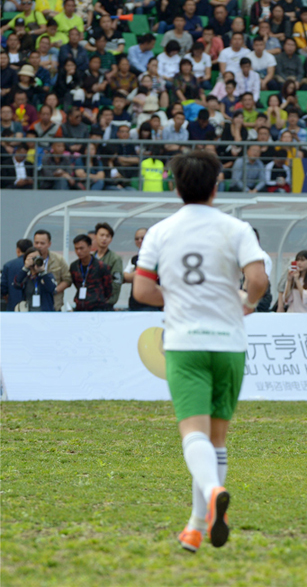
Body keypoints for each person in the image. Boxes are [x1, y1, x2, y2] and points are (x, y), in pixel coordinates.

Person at [132, 150, 268, 553]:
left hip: (185, 343)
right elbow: (258, 279)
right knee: (217, 438)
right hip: (229, 342)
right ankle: (196, 525)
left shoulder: (160, 232)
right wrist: (247, 302)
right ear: (216, 185)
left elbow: (142, 290)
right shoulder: (236, 228)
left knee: (193, 432)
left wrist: (177, 298)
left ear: (176, 187)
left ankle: (211, 493)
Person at [68, 234, 112, 312]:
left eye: (81, 248)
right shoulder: (74, 266)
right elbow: (76, 283)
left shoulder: (101, 266)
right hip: (80, 306)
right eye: (76, 249)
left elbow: (108, 288)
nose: (79, 251)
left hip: (97, 307)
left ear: (89, 247)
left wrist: (99, 297)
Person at [32, 229, 71, 311]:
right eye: (36, 243)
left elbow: (67, 280)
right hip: (33, 304)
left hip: (54, 304)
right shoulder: (29, 259)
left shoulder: (58, 259)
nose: (39, 246)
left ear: (49, 244)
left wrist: (54, 290)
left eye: (42, 243)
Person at [12, 247, 57, 311]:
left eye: (37, 257)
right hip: (28, 312)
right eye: (31, 258)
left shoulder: (47, 276)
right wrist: (25, 268)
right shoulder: (25, 276)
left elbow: (52, 288)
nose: (34, 260)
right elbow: (16, 284)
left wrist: (43, 272)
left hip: (45, 312)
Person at [94, 222, 124, 308]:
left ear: (111, 239)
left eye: (108, 236)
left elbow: (117, 281)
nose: (104, 238)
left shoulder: (115, 259)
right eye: (102, 235)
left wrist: (105, 296)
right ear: (95, 236)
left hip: (106, 303)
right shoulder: (91, 257)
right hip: (91, 301)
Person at [1, 239, 32, 312]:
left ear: (18, 250)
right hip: (31, 307)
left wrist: (6, 298)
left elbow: (3, 288)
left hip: (13, 305)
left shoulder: (8, 266)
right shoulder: (34, 265)